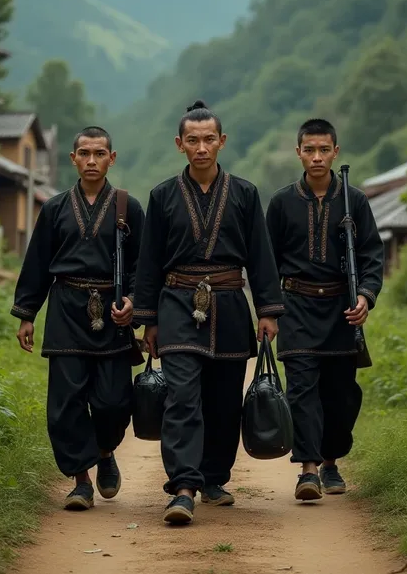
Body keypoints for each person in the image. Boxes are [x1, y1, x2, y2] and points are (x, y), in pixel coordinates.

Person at [133, 100, 284, 525]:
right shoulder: (163, 196)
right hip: (178, 302)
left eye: (209, 140)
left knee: (223, 400)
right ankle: (183, 485)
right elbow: (149, 262)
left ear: (222, 141)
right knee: (182, 397)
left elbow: (260, 256)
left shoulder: (245, 193)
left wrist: (268, 311)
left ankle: (214, 477)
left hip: (231, 304)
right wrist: (150, 320)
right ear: (180, 144)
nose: (202, 148)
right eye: (193, 140)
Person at [10, 126, 145, 511]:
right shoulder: (54, 208)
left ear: (111, 158)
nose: (91, 160)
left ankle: (105, 452)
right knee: (66, 403)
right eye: (83, 153)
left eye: (99, 153)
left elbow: (141, 265)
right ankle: (82, 480)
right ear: (73, 159)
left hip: (114, 314)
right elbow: (37, 264)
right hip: (66, 310)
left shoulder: (127, 207)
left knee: (114, 402)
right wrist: (27, 314)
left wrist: (135, 301)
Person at [266, 118, 384, 501]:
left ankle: (331, 461)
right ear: (298, 152)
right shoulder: (282, 202)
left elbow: (371, 255)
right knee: (302, 390)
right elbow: (267, 260)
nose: (316, 157)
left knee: (340, 394)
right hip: (297, 306)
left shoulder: (356, 200)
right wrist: (268, 309)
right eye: (309, 149)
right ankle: (309, 469)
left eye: (324, 150)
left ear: (336, 152)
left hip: (341, 309)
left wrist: (365, 296)